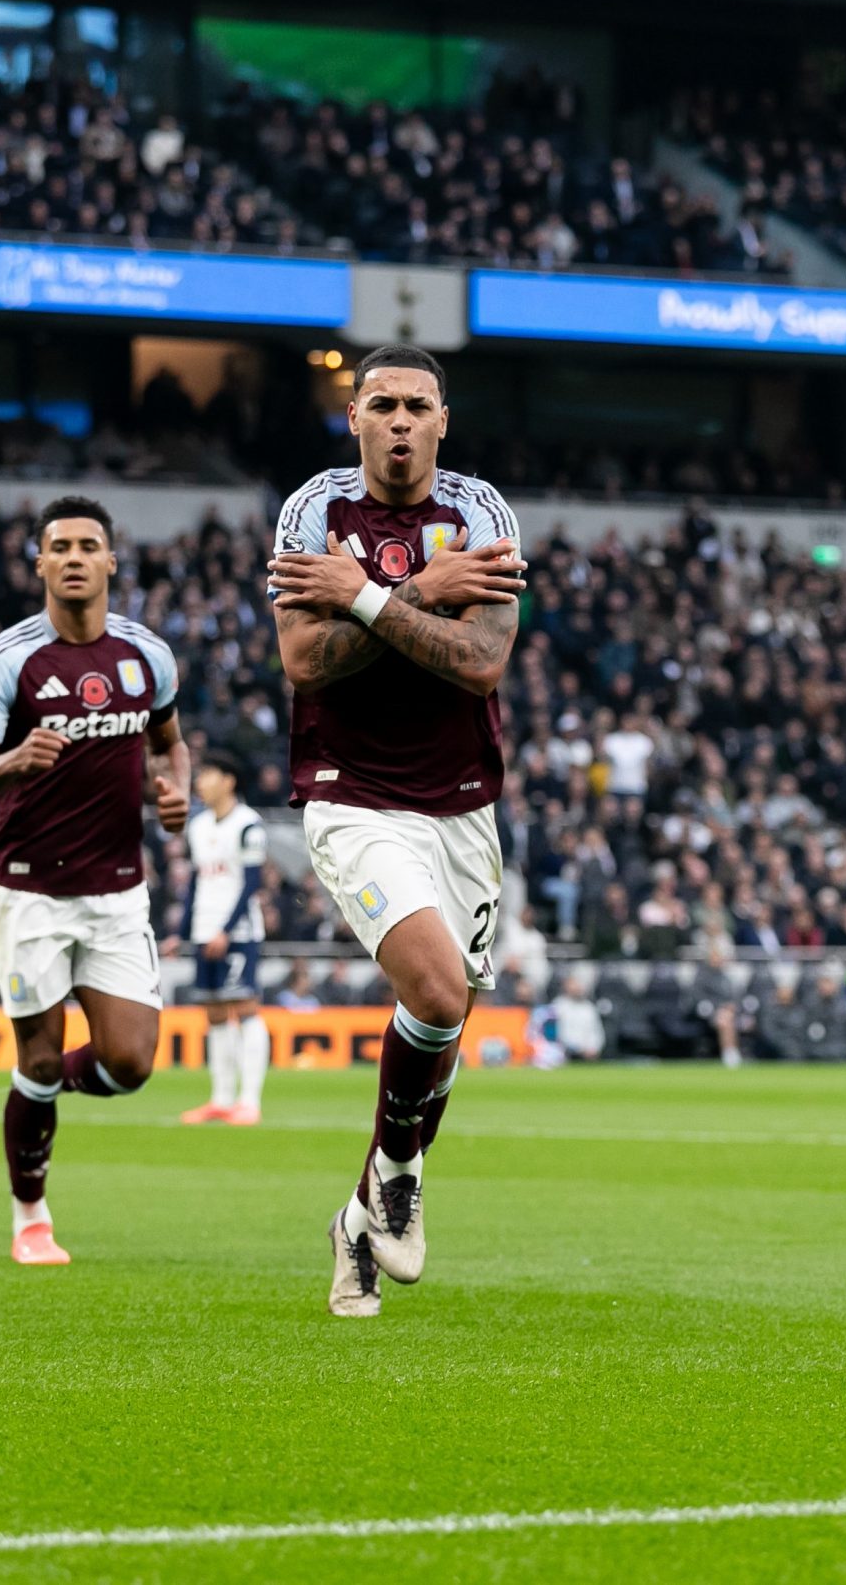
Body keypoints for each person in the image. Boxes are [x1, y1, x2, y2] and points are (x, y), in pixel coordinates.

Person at [269, 343, 525, 1320]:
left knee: (445, 1019)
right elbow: (306, 660)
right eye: (383, 403)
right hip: (350, 791)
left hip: (462, 801)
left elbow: (479, 664)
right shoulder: (313, 511)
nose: (402, 419)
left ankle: (364, 1203)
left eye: (419, 403)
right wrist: (425, 587)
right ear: (355, 417)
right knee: (435, 984)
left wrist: (369, 594)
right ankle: (402, 1171)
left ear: (443, 420)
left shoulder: (484, 512)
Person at [0, 496, 189, 1266]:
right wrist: (15, 760)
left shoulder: (147, 655)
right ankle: (31, 1215)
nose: (76, 557)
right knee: (43, 1057)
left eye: (90, 545)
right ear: (40, 564)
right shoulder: (9, 659)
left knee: (132, 1064)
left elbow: (170, 745)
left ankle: (32, 1100)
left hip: (118, 891)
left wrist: (173, 788)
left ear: (113, 561)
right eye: (62, 547)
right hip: (31, 891)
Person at [174, 753, 271, 1126]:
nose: (201, 782)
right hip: (204, 929)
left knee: (244, 1006)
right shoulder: (197, 826)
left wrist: (225, 931)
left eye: (208, 775)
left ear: (228, 780)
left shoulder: (249, 825)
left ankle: (249, 1101)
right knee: (214, 1012)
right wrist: (183, 932)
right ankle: (221, 1098)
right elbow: (198, 883)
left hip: (238, 932)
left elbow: (250, 883)